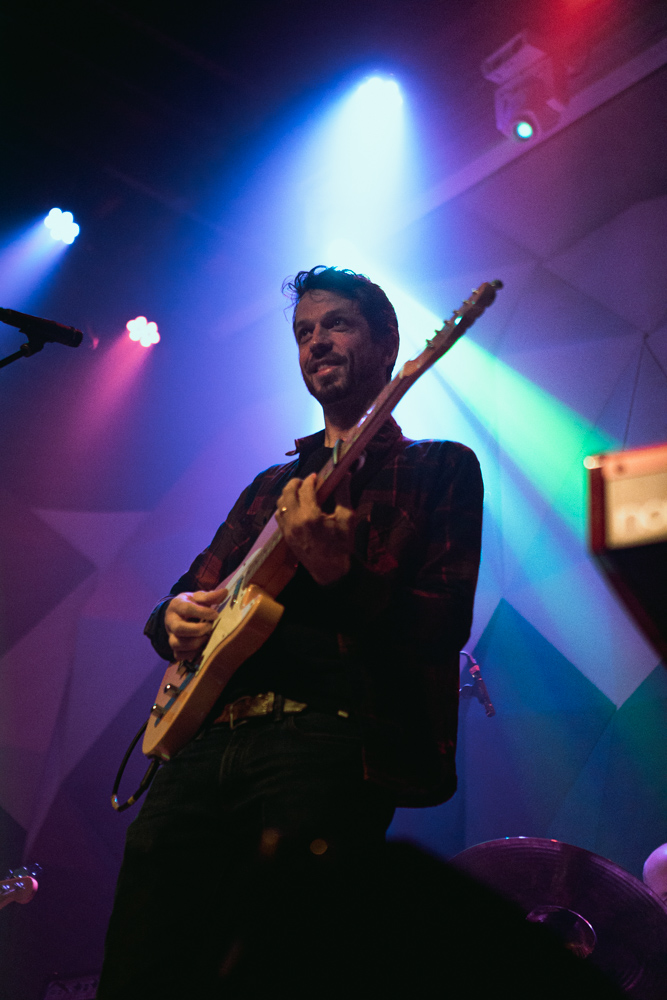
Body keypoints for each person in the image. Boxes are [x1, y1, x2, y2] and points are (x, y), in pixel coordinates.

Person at [97, 266, 484, 999]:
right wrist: (171, 618)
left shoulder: (438, 469)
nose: (316, 342)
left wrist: (341, 575)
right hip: (201, 745)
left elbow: (438, 627)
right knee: (141, 967)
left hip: (326, 744)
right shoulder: (269, 488)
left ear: (389, 344)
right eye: (304, 332)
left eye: (336, 324)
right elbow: (185, 596)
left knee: (281, 967)